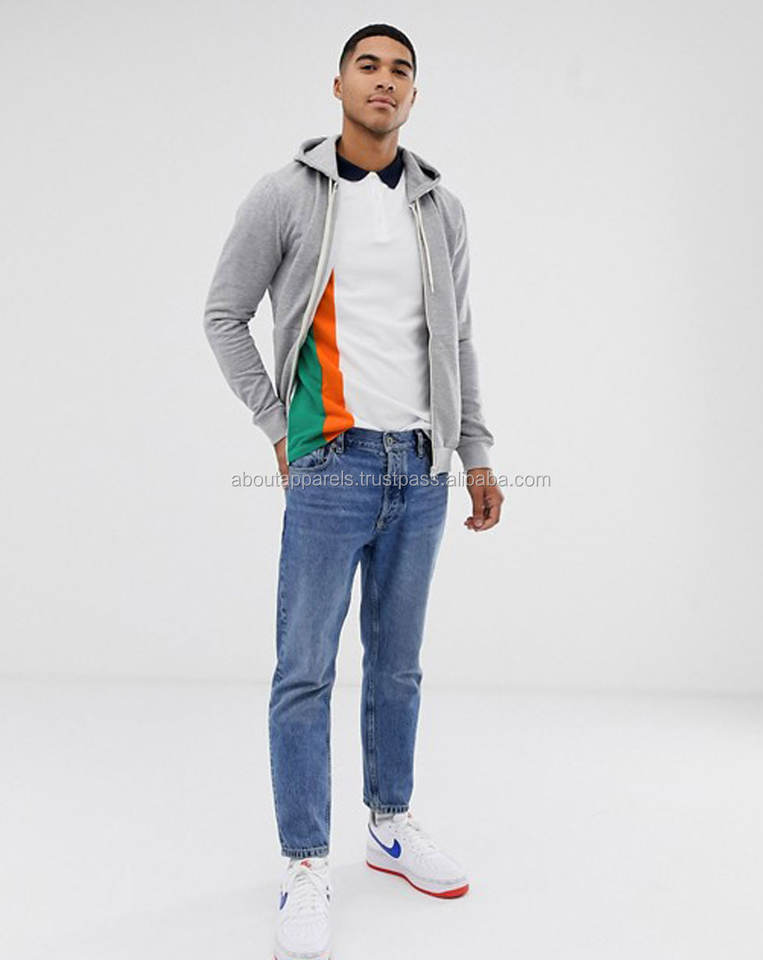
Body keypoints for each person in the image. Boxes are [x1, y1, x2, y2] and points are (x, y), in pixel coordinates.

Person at [203, 22, 504, 960]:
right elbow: (224, 314)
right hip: (331, 462)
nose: (384, 80)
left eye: (400, 70)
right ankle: (304, 862)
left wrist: (476, 450)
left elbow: (457, 338)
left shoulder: (440, 209)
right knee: (305, 669)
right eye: (367, 66)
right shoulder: (287, 195)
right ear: (338, 84)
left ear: (414, 93)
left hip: (421, 466)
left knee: (398, 665)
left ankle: (390, 824)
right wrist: (277, 425)